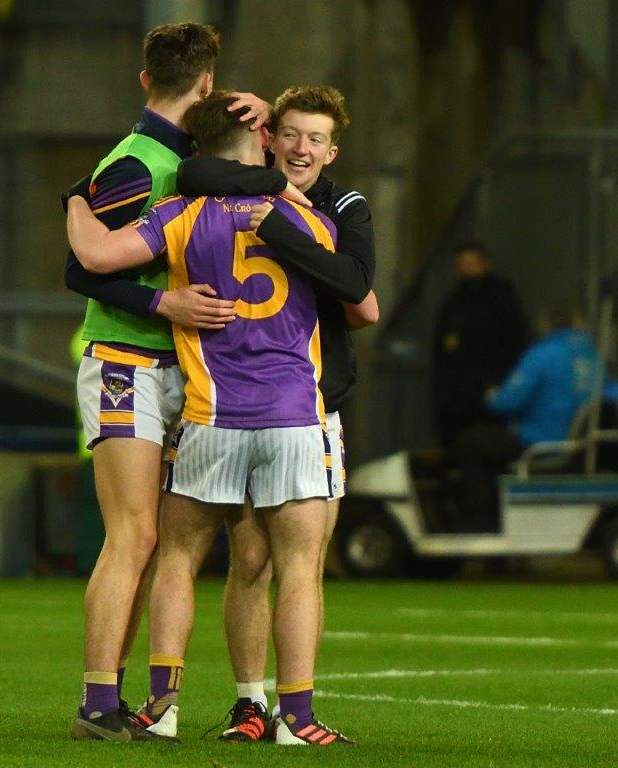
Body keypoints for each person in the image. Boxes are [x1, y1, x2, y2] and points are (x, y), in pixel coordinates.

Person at [67, 91, 356, 747]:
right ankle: (297, 720)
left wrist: (77, 202)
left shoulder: (180, 213)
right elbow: (351, 294)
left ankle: (162, 709)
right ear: (262, 149)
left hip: (211, 415)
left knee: (176, 558)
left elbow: (97, 259)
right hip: (292, 417)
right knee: (298, 568)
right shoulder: (308, 221)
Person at [176, 85, 376, 741]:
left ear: (332, 150)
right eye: (290, 133)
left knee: (301, 560)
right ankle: (251, 705)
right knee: (250, 560)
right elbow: (195, 167)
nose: (301, 148)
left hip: (316, 405)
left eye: (316, 139)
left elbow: (360, 295)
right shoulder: (237, 187)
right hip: (240, 403)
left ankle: (293, 711)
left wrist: (282, 230)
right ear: (270, 138)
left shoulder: (343, 206)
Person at [64, 22, 228, 743]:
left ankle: (115, 696)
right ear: (206, 83)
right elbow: (81, 268)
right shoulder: (137, 163)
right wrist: (165, 303)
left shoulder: (181, 157)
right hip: (127, 364)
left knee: (153, 538)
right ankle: (96, 702)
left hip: (173, 370)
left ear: (143, 80)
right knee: (131, 536)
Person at [453, 306, 601, 531]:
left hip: (542, 440)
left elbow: (507, 402)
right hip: (579, 445)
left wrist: (491, 395)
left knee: (471, 444)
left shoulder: (544, 355)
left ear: (548, 326)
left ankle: (481, 520)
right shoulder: (592, 357)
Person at [432, 240, 529, 449]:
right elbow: (441, 351)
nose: (466, 268)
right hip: (457, 398)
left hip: (491, 395)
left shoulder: (502, 300)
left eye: (471, 263)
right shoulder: (453, 303)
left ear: (484, 264)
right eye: (462, 263)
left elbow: (516, 344)